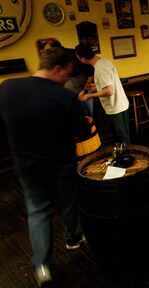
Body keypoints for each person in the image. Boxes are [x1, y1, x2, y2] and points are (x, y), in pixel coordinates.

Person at [0, 47, 86, 287]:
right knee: (69, 203)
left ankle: (42, 267)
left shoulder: (7, 88)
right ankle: (73, 238)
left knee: (37, 212)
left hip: (26, 165)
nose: (67, 79)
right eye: (67, 74)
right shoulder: (65, 97)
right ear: (57, 68)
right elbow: (83, 131)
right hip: (61, 165)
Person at [75, 44, 130, 144]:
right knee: (124, 137)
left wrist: (88, 96)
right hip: (121, 104)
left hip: (115, 108)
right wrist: (95, 88)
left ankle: (127, 158)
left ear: (82, 59)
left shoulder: (100, 69)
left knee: (122, 139)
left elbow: (109, 91)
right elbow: (110, 84)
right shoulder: (104, 62)